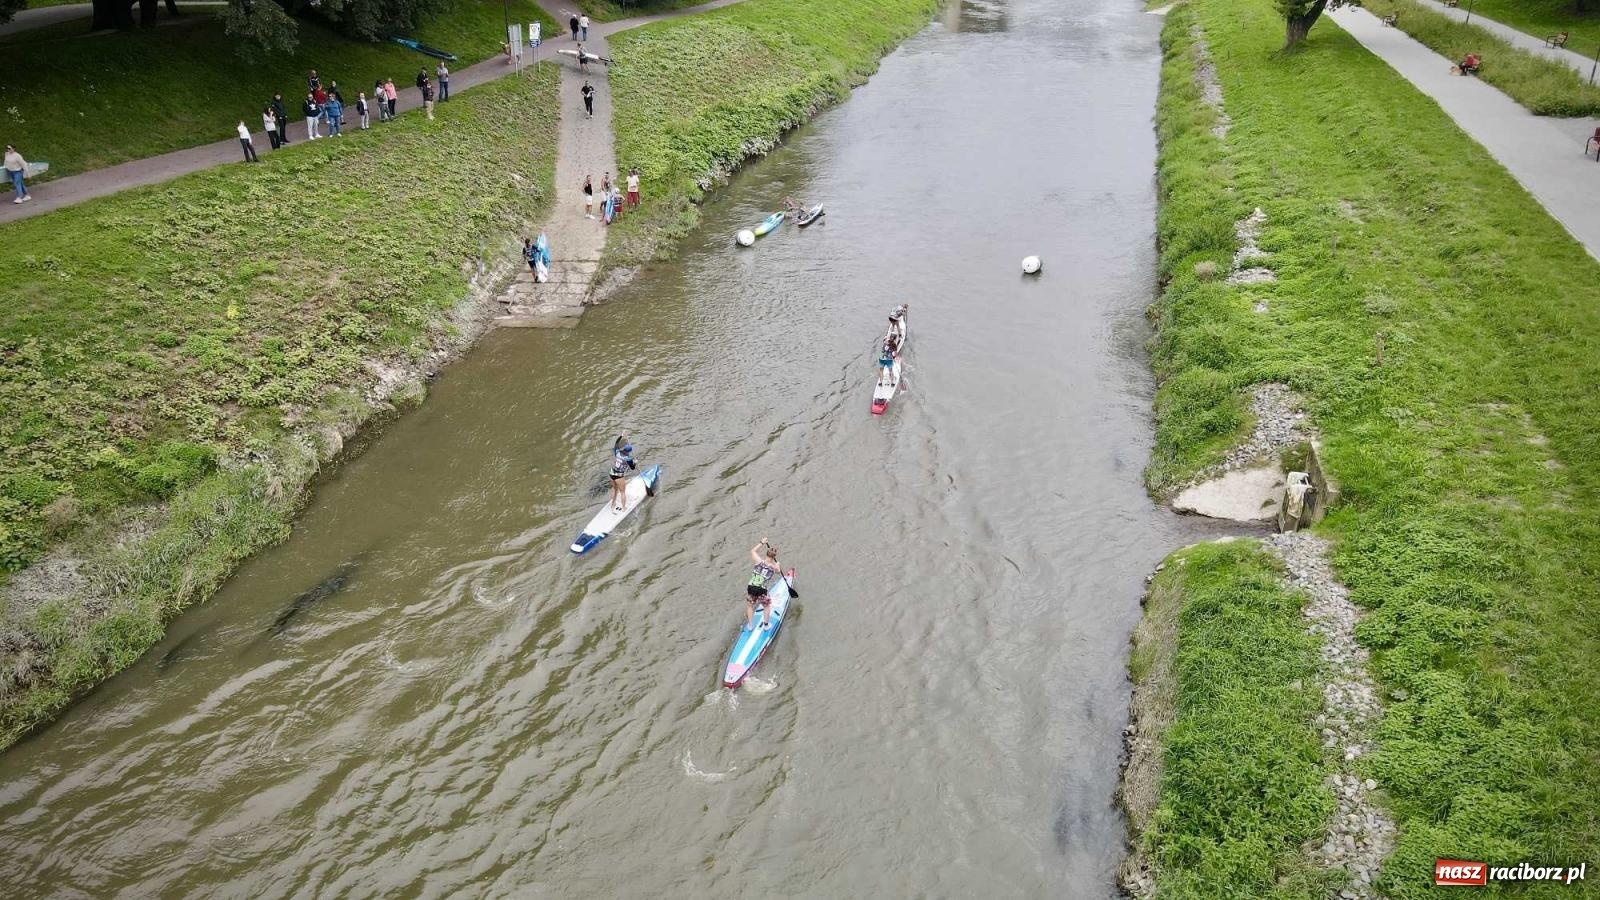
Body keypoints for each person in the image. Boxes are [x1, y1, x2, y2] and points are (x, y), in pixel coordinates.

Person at [744, 538, 783, 630]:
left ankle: (750, 625)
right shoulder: (773, 567)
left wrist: (761, 543)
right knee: (766, 606)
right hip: (761, 590)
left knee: (750, 606)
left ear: (766, 554)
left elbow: (752, 551)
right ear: (773, 557)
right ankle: (766, 626)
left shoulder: (758, 561)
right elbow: (778, 572)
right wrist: (778, 565)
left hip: (751, 587)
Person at [608, 442, 637, 511]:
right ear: (629, 451)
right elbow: (632, 468)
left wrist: (620, 437)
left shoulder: (617, 452)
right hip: (619, 476)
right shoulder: (628, 459)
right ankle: (623, 508)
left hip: (612, 473)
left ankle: (613, 504)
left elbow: (616, 445)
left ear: (624, 449)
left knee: (615, 490)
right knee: (622, 492)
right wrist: (635, 462)